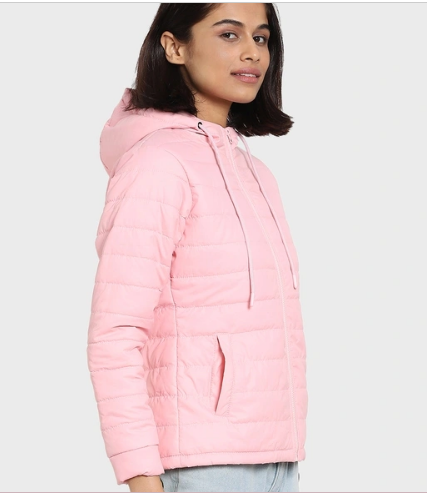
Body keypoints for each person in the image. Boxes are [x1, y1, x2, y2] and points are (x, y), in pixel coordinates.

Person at [86, 3, 308, 492]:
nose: (252, 52)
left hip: (277, 461)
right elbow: (116, 333)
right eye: (229, 34)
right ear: (174, 47)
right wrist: (141, 476)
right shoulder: (157, 163)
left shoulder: (255, 173)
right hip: (201, 465)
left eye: (261, 37)